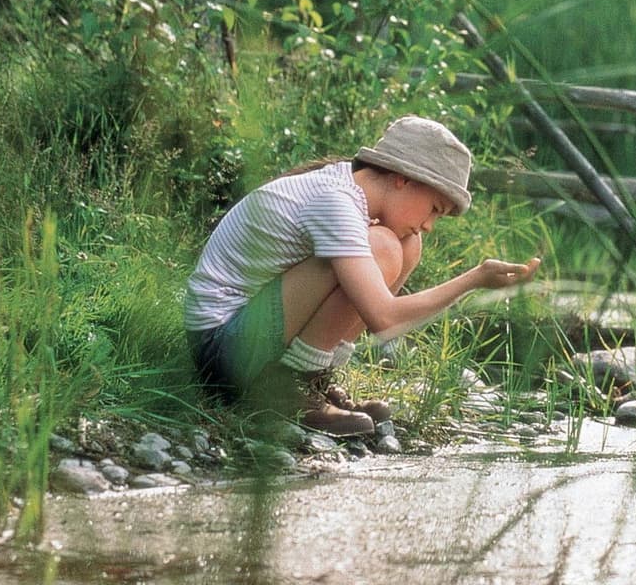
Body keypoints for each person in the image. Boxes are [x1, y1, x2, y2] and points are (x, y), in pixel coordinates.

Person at [184, 116, 541, 435]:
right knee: (384, 246)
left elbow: (375, 320)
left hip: (246, 337)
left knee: (406, 243)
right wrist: (473, 280)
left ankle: (309, 379)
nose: (431, 225)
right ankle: (287, 386)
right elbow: (383, 318)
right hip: (225, 351)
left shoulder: (347, 193)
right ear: (403, 178)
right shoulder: (335, 201)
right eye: (435, 209)